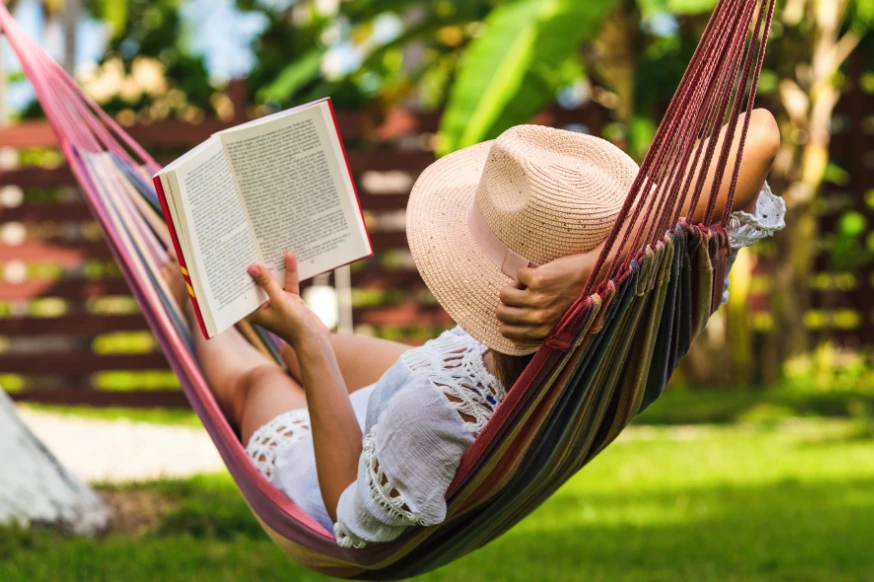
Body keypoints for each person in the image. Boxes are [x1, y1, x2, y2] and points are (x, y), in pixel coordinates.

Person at [161, 110, 785, 548]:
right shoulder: (656, 297)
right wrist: (604, 263)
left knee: (262, 378)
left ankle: (186, 292)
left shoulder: (431, 420)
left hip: (351, 453)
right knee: (290, 346)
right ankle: (269, 321)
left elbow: (350, 514)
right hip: (447, 370)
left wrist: (310, 343)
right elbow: (761, 129)